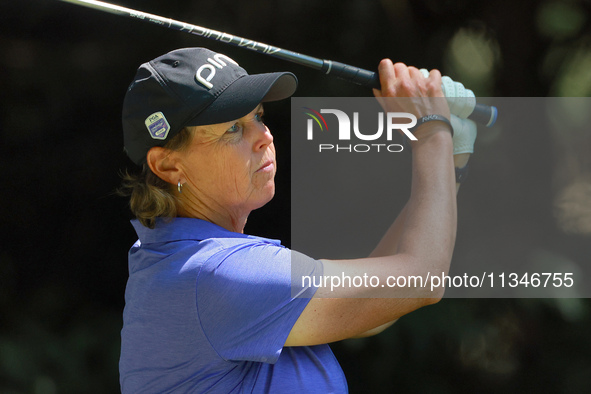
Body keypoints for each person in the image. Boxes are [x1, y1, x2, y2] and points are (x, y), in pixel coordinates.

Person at [118, 47, 475, 393]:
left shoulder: (178, 262)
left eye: (257, 115)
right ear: (168, 165)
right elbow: (419, 280)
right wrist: (431, 130)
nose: (264, 136)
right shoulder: (215, 274)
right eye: (232, 129)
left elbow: (376, 305)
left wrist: (449, 160)